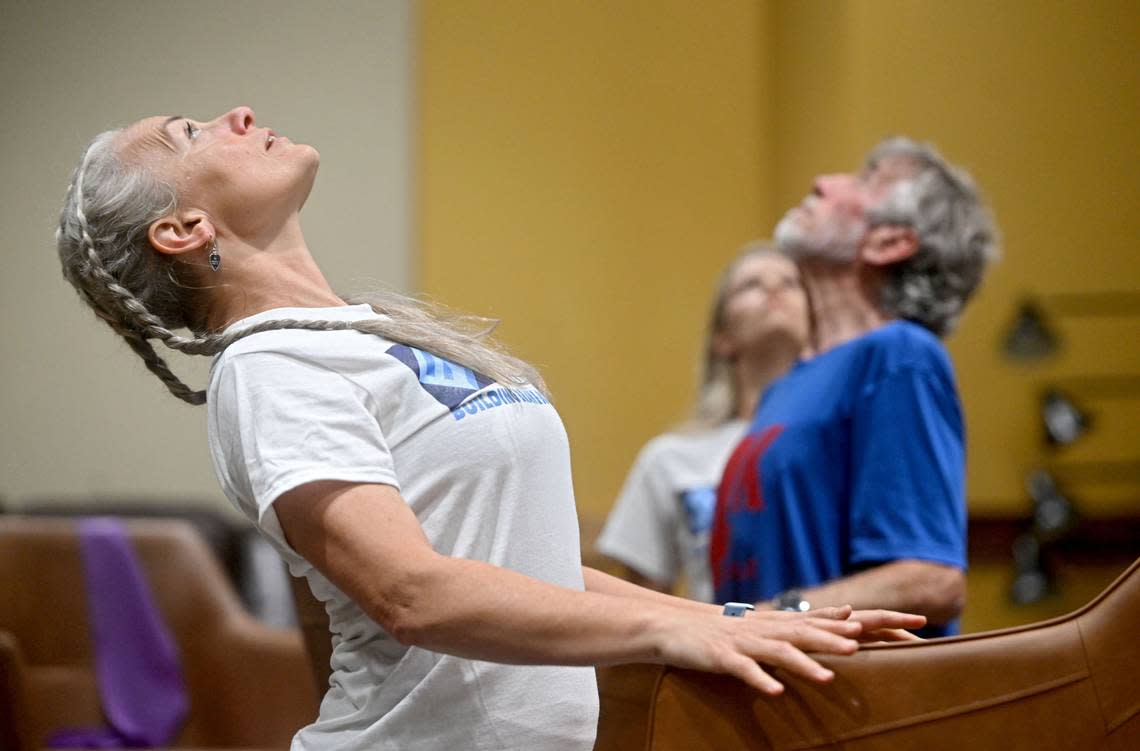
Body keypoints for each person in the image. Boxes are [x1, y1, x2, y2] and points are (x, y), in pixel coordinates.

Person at [55, 106, 925, 750]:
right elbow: (411, 593)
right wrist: (676, 633)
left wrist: (729, 619)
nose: (236, 115)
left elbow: (527, 567)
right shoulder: (273, 368)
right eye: (190, 134)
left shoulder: (362, 335)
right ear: (183, 229)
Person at [710, 137, 999, 638]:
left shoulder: (899, 355)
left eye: (868, 180)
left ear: (889, 242)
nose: (823, 181)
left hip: (854, 705)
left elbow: (931, 580)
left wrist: (766, 620)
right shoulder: (788, 385)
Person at [596, 243, 809, 602]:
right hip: (715, 651)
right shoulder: (669, 459)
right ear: (722, 339)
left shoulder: (842, 444)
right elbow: (640, 608)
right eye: (751, 285)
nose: (774, 290)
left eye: (791, 283)